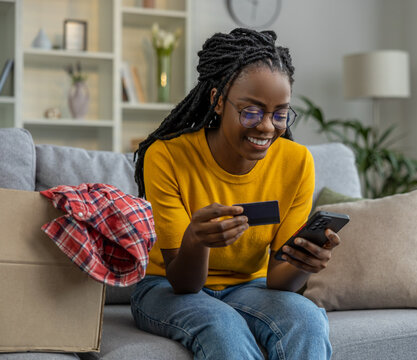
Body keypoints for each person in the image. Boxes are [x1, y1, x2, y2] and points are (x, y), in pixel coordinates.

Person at [132, 28, 340, 360]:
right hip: (166, 287)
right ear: (217, 100)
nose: (267, 127)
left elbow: (279, 281)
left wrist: (306, 264)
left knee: (306, 318)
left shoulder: (297, 163)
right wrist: (196, 241)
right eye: (251, 111)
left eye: (279, 114)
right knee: (223, 326)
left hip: (251, 287)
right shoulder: (167, 156)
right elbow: (184, 283)